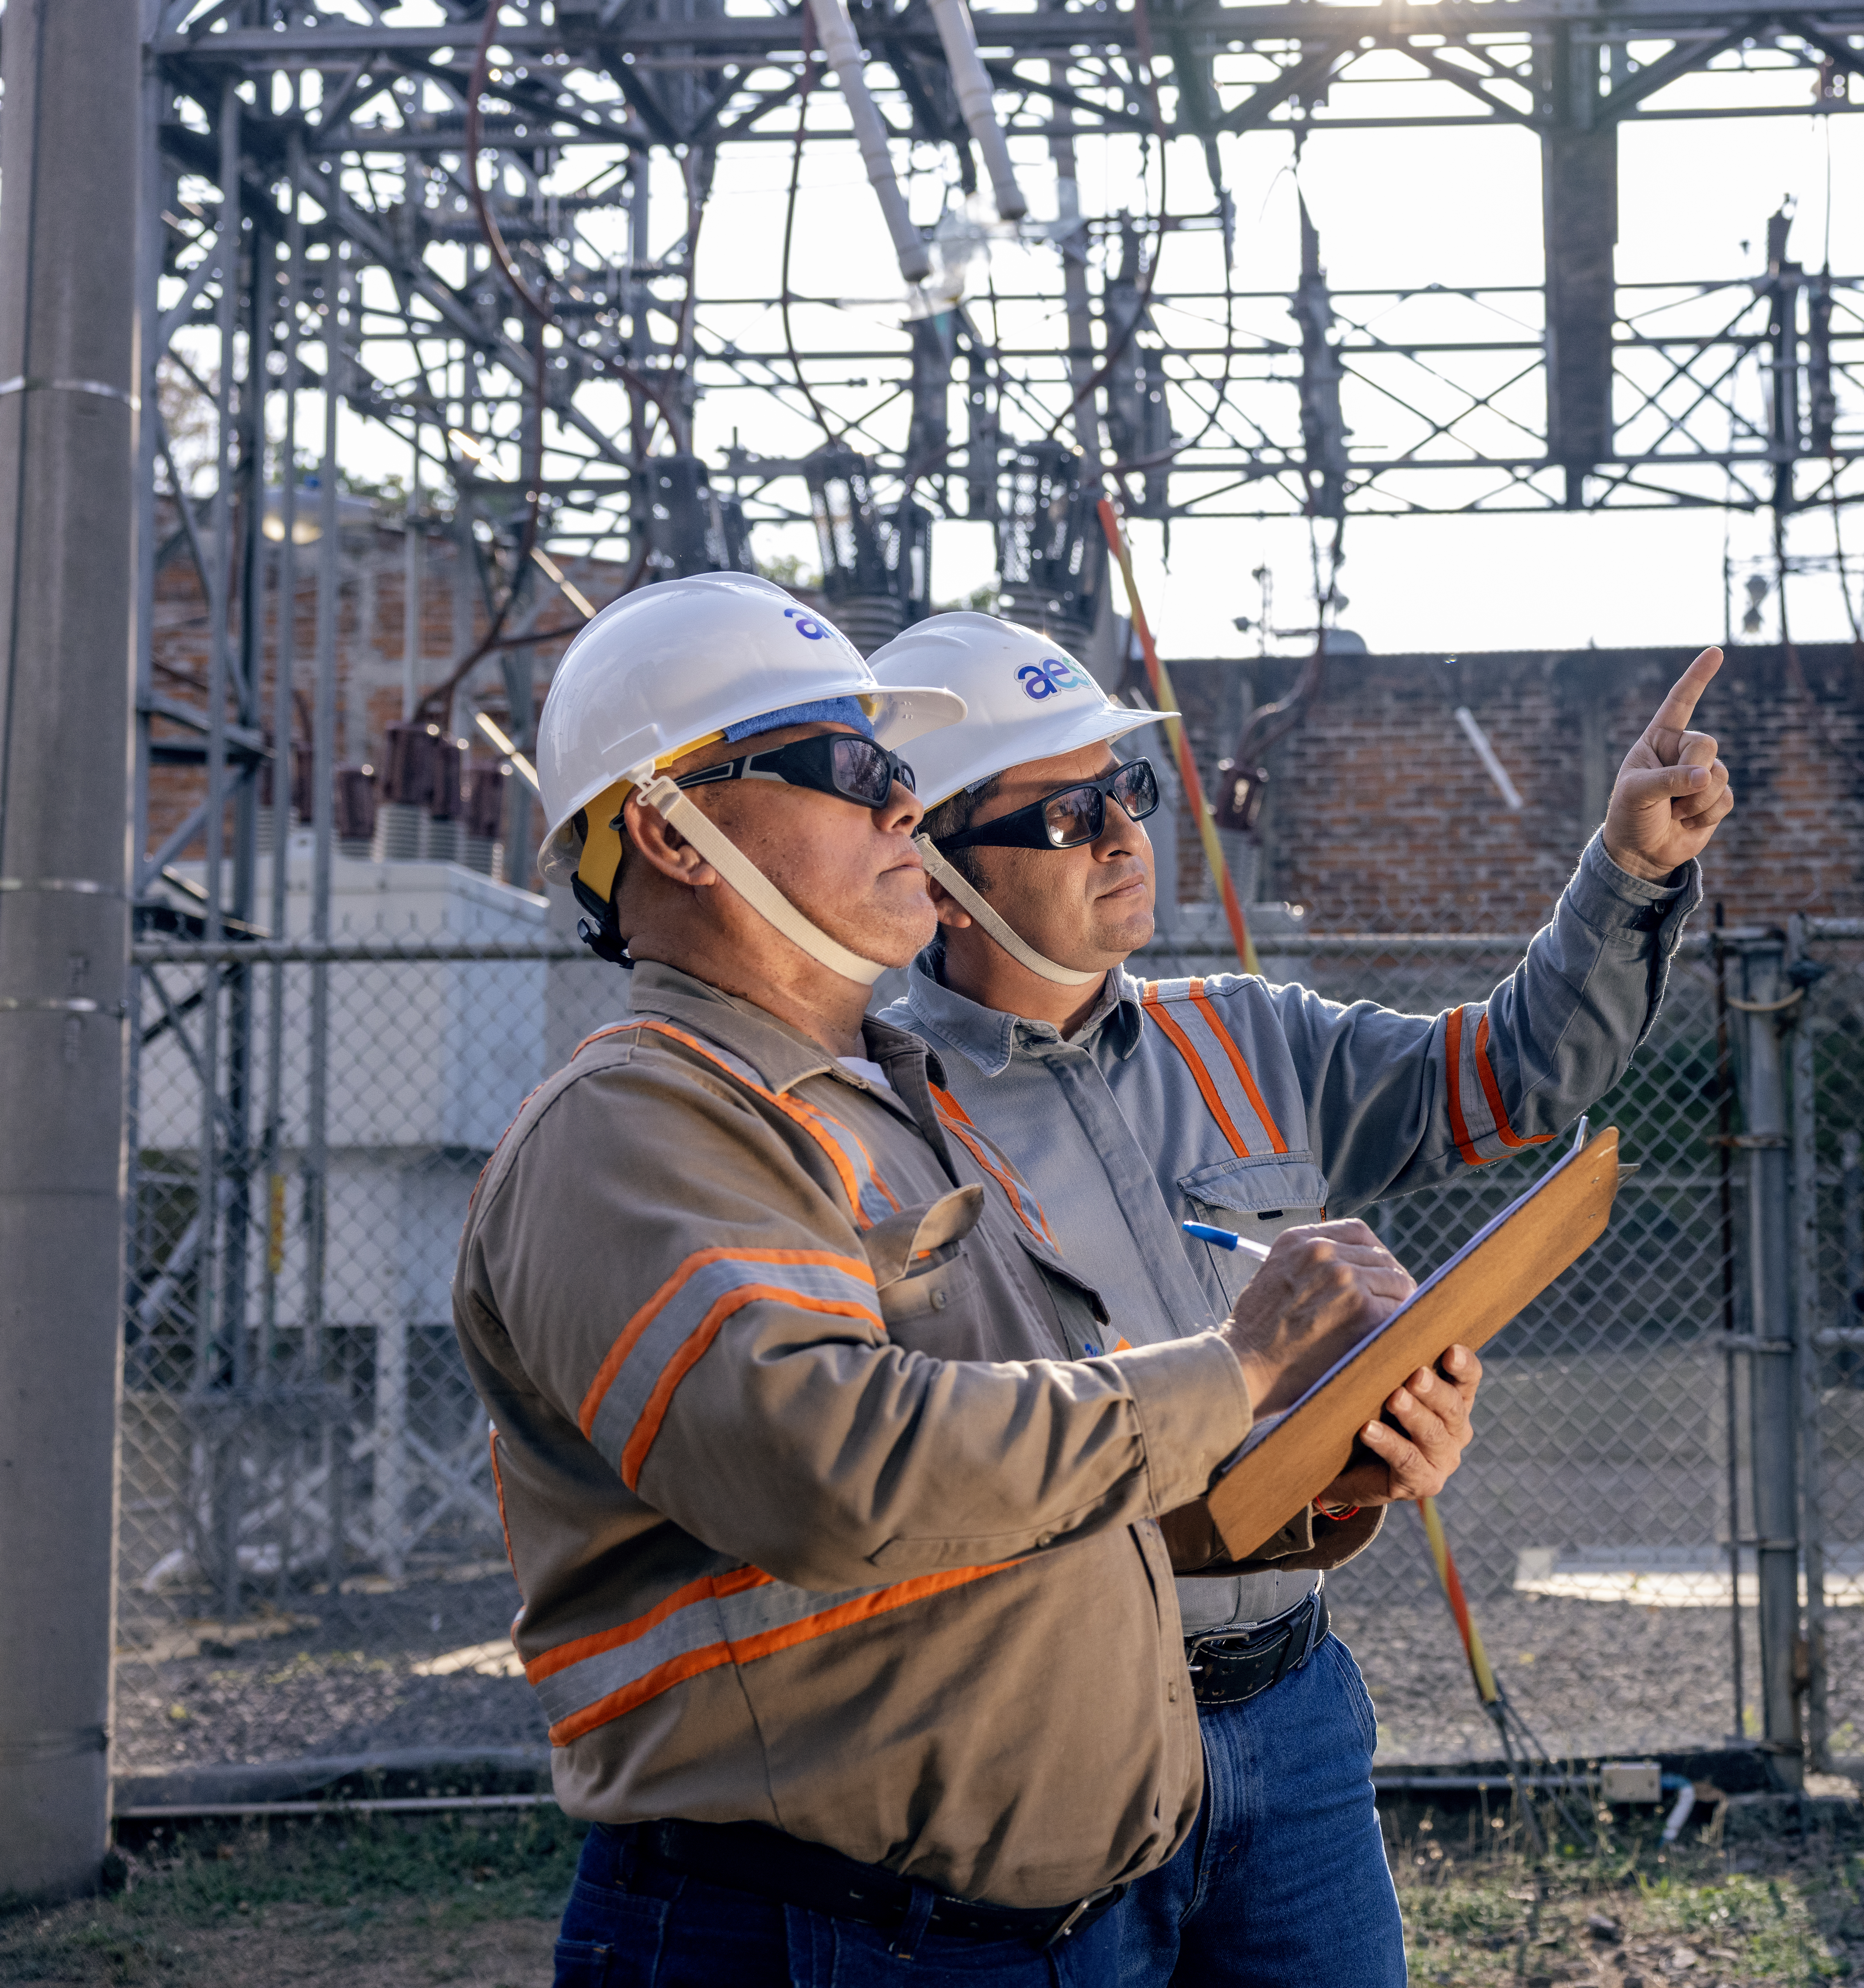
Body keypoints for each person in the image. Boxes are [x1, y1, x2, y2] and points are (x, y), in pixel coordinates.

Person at [452, 572, 1414, 1987]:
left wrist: (1309, 1491)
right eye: (848, 770)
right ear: (669, 828)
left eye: (897, 772)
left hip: (1012, 1928)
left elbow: (1000, 1525)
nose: (906, 807)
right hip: (814, 1930)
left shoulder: (878, 1107)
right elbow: (840, 1469)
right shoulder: (637, 1125)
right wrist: (1238, 1366)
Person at [866, 612, 1736, 1988]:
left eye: (1128, 794)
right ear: (930, 858)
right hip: (1047, 1743)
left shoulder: (1245, 1035)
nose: (1121, 838)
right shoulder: (871, 1116)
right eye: (1065, 813)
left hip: (1293, 1716)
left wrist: (1630, 869)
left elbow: (1507, 1071)